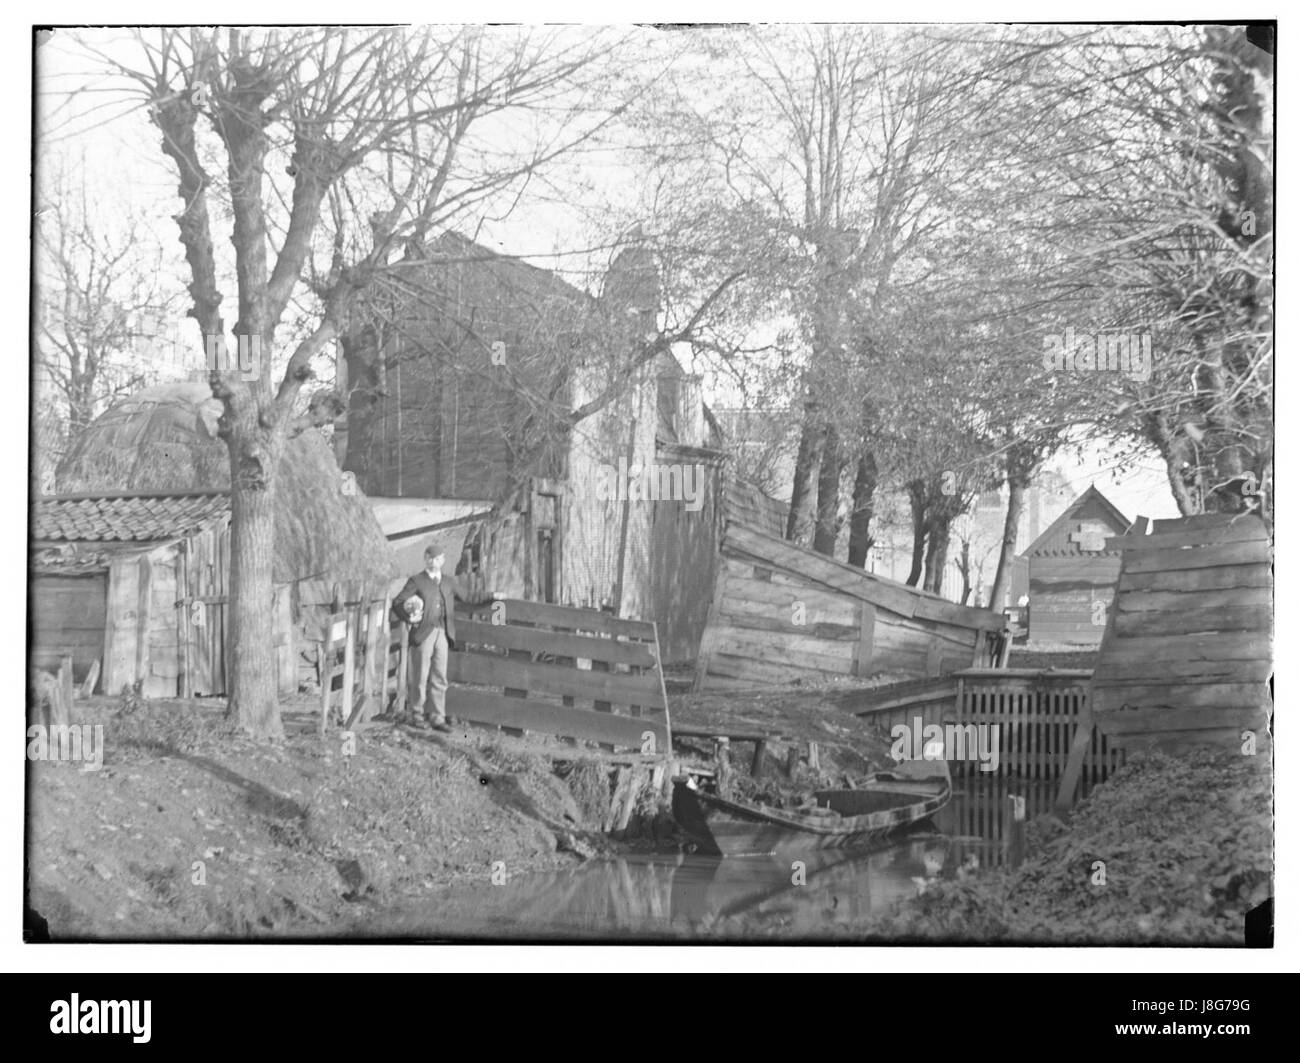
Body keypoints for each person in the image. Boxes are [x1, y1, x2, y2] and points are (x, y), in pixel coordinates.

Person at [391, 542, 493, 732]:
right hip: (423, 633)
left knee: (440, 676)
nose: (433, 561)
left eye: (437, 559)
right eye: (429, 558)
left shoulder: (448, 582)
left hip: (443, 634)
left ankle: (438, 717)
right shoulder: (416, 580)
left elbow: (469, 597)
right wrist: (410, 617)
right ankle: (416, 715)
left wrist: (492, 595)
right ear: (425, 559)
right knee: (420, 676)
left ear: (443, 560)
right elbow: (397, 602)